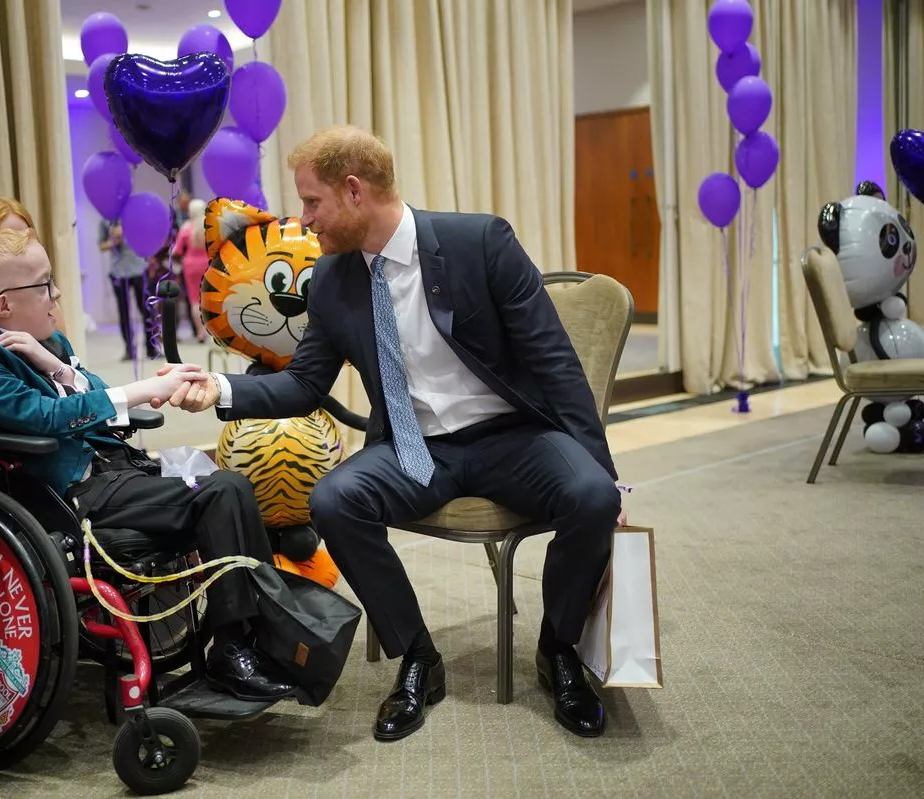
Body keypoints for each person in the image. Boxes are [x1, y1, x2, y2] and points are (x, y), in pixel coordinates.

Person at [163, 125, 626, 742]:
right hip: (416, 450)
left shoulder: (480, 243)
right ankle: (417, 657)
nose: (304, 221)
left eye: (312, 202)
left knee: (593, 497)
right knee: (332, 500)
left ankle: (559, 650)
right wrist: (219, 389)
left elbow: (555, 365)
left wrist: (606, 471)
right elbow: (304, 384)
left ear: (354, 192)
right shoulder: (330, 280)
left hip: (511, 438)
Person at [0, 228, 297, 702]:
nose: (57, 293)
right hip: (70, 495)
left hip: (115, 471)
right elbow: (43, 418)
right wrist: (143, 389)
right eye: (44, 284)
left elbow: (88, 390)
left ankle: (258, 638)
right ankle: (234, 651)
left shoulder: (43, 339)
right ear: (4, 305)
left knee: (229, 488)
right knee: (223, 491)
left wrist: (60, 367)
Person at [0, 195, 69, 337]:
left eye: (25, 237)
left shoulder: (47, 303)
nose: (20, 245)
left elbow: (67, 356)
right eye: (6, 239)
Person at [100, 219, 155, 360]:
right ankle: (129, 349)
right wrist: (115, 240)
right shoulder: (105, 220)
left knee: (147, 310)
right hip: (118, 272)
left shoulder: (134, 215)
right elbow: (102, 246)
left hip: (138, 269)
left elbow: (146, 239)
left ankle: (151, 348)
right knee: (124, 313)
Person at [171, 198, 210, 343]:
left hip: (190, 265)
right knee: (210, 297)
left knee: (195, 300)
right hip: (208, 263)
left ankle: (200, 332)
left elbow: (177, 251)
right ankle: (213, 330)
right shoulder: (209, 226)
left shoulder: (186, 227)